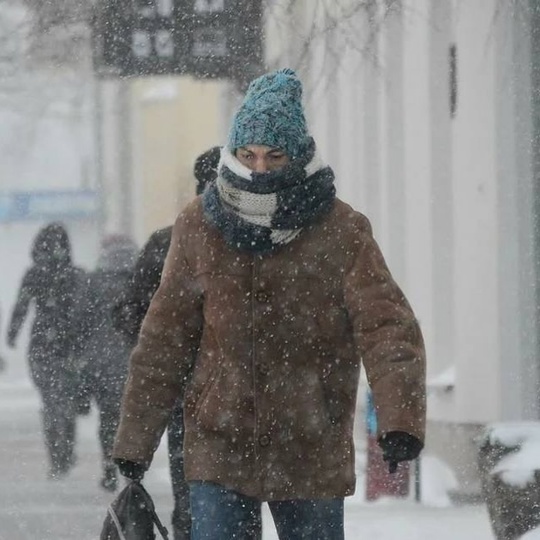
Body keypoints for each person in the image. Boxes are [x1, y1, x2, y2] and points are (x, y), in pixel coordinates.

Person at [112, 68, 426, 539]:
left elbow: (387, 327)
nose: (259, 168)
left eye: (274, 155)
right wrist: (136, 439)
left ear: (296, 156)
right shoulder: (198, 225)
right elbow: (164, 338)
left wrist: (399, 419)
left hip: (310, 443)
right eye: (248, 154)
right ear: (233, 153)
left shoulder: (341, 230)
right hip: (220, 444)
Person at [112, 146, 220, 540]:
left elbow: (129, 314)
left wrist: (163, 353)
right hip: (226, 400)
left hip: (186, 398)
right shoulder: (260, 241)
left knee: (192, 497)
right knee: (231, 507)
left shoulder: (166, 241)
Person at [7, 222, 84, 479]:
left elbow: (21, 306)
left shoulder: (34, 275)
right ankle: (67, 450)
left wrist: (12, 334)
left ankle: (57, 457)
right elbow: (85, 311)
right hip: (68, 346)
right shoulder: (74, 275)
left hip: (41, 346)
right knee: (66, 400)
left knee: (51, 402)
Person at [76, 234, 137, 491]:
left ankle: (109, 464)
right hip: (133, 358)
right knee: (132, 416)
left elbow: (80, 321)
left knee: (108, 417)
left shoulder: (93, 281)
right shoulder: (139, 279)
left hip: (100, 361)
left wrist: (81, 353)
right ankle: (132, 464)